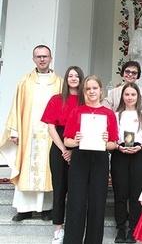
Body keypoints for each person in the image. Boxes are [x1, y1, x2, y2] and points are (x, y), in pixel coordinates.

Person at [0, 45, 63, 221]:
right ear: (33, 59)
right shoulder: (25, 81)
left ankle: (46, 209)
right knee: (26, 167)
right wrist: (14, 131)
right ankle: (24, 209)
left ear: (51, 58)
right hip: (29, 132)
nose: (42, 59)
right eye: (38, 56)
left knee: (48, 169)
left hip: (50, 134)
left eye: (45, 56)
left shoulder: (58, 82)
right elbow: (16, 106)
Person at [63, 75, 119, 243]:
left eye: (95, 88)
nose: (92, 91)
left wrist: (105, 139)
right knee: (76, 203)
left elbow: (113, 145)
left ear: (101, 90)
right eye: (88, 89)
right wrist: (76, 140)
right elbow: (67, 140)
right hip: (80, 158)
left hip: (100, 159)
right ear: (84, 91)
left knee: (97, 203)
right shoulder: (77, 111)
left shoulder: (109, 114)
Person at [41, 66, 85, 243]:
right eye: (70, 76)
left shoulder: (85, 101)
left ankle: (74, 227)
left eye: (77, 76)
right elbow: (51, 127)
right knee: (59, 188)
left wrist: (74, 149)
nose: (73, 78)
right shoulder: (56, 99)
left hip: (81, 144)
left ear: (81, 79)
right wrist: (64, 150)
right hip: (59, 144)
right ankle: (58, 228)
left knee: (77, 190)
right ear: (66, 79)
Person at [111, 83, 142, 243]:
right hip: (119, 154)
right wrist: (117, 147)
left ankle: (133, 228)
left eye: (133, 95)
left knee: (136, 194)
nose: (130, 97)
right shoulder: (115, 115)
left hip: (138, 154)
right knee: (120, 193)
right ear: (122, 96)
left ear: (138, 97)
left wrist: (140, 147)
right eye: (127, 94)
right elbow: (111, 138)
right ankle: (121, 229)